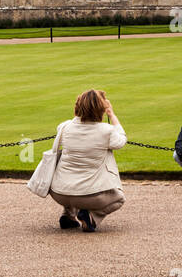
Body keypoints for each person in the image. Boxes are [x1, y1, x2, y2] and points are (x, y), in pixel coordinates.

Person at [48, 88, 128, 233]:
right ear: (101, 109)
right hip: (88, 196)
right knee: (119, 198)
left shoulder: (64, 127)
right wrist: (111, 114)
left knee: (72, 178)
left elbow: (76, 121)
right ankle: (91, 217)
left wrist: (80, 112)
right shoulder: (107, 131)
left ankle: (68, 215)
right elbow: (121, 140)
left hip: (59, 193)